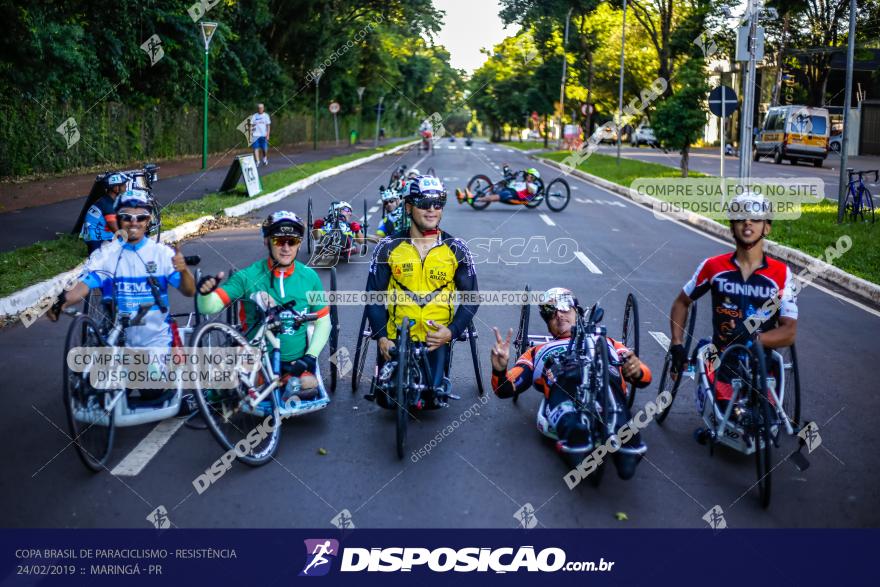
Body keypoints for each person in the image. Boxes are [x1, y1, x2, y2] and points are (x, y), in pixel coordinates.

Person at [490, 287, 651, 480]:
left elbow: (644, 378)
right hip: (564, 377)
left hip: (605, 378)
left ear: (578, 311)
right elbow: (505, 388)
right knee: (562, 376)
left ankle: (622, 429)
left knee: (609, 374)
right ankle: (574, 429)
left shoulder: (606, 341)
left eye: (565, 306)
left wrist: (635, 369)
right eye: (550, 312)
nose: (559, 314)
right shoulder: (537, 352)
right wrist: (499, 369)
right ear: (547, 323)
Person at [668, 192, 797, 428]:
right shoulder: (713, 267)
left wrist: (758, 338)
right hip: (719, 359)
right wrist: (676, 343)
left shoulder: (781, 274)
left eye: (756, 219)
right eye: (741, 218)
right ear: (732, 227)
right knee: (733, 416)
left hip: (761, 365)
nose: (747, 223)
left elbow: (789, 330)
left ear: (766, 227)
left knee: (767, 422)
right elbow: (681, 303)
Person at [364, 175, 479, 408]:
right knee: (389, 401)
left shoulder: (456, 248)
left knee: (432, 399)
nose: (432, 210)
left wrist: (452, 332)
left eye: (438, 204)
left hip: (435, 337)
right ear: (408, 207)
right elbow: (374, 296)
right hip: (397, 336)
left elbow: (471, 297)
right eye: (424, 203)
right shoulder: (388, 247)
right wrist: (381, 336)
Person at [195, 211, 330, 399]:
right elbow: (209, 307)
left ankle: (279, 388)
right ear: (267, 241)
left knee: (308, 385)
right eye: (278, 241)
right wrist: (205, 294)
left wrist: (310, 357)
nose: (286, 247)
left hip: (295, 364)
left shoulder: (310, 277)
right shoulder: (246, 276)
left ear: (299, 244)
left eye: (292, 241)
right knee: (230, 388)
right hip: (254, 362)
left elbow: (324, 321)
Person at [50, 190, 196, 348]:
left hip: (156, 342)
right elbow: (84, 285)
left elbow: (189, 291)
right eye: (127, 216)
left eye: (140, 217)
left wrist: (183, 270)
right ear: (118, 219)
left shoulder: (162, 254)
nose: (134, 222)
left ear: (147, 221)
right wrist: (62, 301)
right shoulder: (106, 255)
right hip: (119, 344)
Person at [80, 172, 127, 254]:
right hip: (95, 238)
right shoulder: (108, 205)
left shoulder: (106, 199)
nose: (126, 187)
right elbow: (116, 230)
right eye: (123, 185)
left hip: (90, 234)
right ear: (116, 188)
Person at [456, 167, 541, 205]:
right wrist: (508, 173)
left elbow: (530, 192)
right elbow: (512, 183)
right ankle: (462, 197)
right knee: (497, 185)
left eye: (530, 176)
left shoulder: (533, 186)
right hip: (510, 189)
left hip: (514, 195)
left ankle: (472, 198)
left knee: (494, 197)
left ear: (534, 178)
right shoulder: (523, 182)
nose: (528, 176)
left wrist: (527, 182)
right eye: (528, 175)